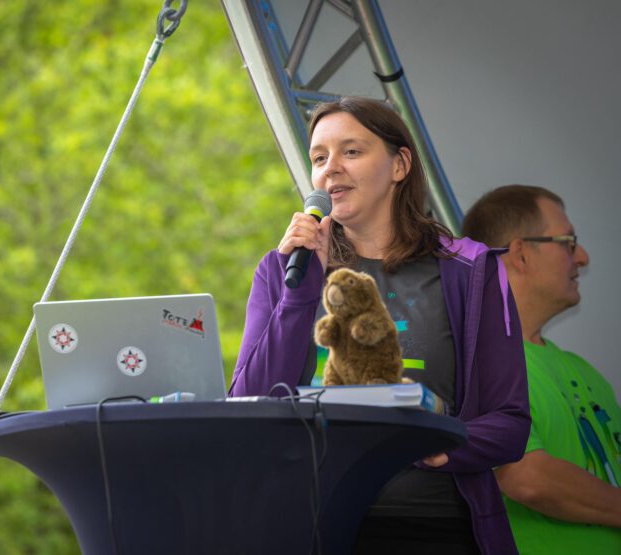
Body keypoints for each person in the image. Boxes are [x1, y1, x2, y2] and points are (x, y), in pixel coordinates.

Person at [229, 96, 530, 555]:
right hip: (310, 522)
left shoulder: (470, 270)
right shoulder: (284, 270)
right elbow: (249, 403)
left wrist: (439, 445)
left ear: (399, 165)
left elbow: (509, 423)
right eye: (319, 157)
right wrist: (300, 293)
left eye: (351, 151)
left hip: (431, 526)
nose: (330, 168)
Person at [462, 184, 621, 554]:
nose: (582, 257)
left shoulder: (581, 370)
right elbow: (525, 477)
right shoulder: (477, 362)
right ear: (520, 254)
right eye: (568, 242)